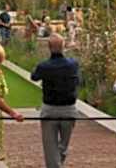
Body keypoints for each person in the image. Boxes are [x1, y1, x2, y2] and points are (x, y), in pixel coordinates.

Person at [31, 34, 80, 168]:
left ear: (49, 47)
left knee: (50, 147)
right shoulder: (73, 64)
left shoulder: (44, 66)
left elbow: (34, 76)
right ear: (63, 46)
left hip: (50, 109)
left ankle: (55, 165)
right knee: (63, 146)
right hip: (68, 109)